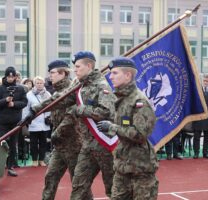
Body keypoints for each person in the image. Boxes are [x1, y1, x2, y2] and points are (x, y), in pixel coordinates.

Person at [30, 51, 116, 199]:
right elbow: (59, 100)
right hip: (87, 146)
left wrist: (81, 109)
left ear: (89, 66)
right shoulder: (79, 86)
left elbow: (107, 111)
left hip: (104, 144)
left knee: (113, 188)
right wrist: (35, 110)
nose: (74, 70)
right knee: (78, 186)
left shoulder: (101, 85)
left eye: (77, 66)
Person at [96, 57, 159, 200]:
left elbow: (140, 134)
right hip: (122, 166)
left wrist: (112, 127)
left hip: (140, 168)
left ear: (128, 75)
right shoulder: (121, 98)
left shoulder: (139, 101)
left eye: (115, 73)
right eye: (111, 73)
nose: (110, 76)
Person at [39, 60, 89, 200]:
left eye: (53, 73)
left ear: (63, 73)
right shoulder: (57, 90)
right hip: (59, 145)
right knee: (50, 177)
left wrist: (56, 132)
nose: (50, 76)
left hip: (74, 144)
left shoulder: (72, 90)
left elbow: (71, 116)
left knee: (78, 183)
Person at [0, 66, 27, 177]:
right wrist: (5, 100)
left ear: (15, 77)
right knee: (0, 143)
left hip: (15, 122)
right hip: (2, 122)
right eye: (9, 76)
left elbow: (24, 102)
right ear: (5, 76)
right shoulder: (0, 89)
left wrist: (14, 104)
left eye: (13, 76)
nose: (11, 78)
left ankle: (11, 166)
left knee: (13, 145)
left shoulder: (21, 89)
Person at [23, 76, 51, 167]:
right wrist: (26, 119)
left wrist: (49, 118)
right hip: (33, 122)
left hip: (44, 122)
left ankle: (41, 159)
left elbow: (51, 107)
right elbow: (26, 109)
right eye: (37, 83)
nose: (39, 85)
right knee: (33, 143)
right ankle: (34, 159)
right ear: (34, 84)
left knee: (43, 142)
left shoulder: (48, 94)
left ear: (44, 84)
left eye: (41, 83)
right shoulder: (29, 94)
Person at [193, 74, 208, 159]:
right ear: (202, 81)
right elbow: (194, 104)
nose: (205, 82)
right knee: (197, 136)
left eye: (207, 81)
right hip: (199, 117)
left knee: (207, 136)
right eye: (204, 80)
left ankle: (205, 152)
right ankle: (196, 153)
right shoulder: (197, 90)